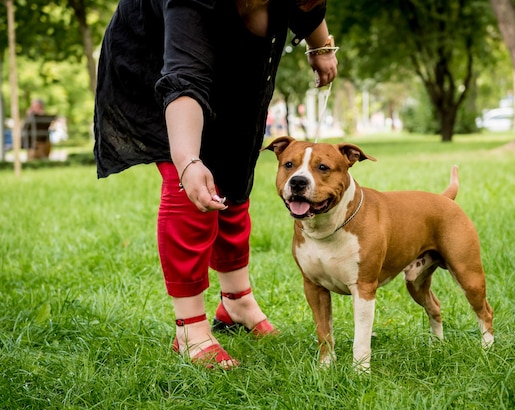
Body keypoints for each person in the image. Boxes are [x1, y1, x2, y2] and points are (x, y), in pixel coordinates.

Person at [93, 0, 338, 370]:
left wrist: (320, 46)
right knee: (192, 190)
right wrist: (188, 162)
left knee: (234, 177)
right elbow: (184, 83)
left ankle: (237, 302)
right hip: (159, 69)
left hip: (232, 70)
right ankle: (190, 330)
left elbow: (306, 9)